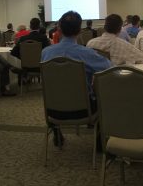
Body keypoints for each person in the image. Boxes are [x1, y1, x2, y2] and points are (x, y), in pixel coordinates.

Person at [41, 10, 113, 147]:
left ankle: (56, 129)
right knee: (105, 97)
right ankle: (100, 140)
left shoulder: (45, 53)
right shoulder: (87, 53)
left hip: (52, 110)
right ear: (79, 31)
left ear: (59, 29)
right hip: (83, 110)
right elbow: (109, 68)